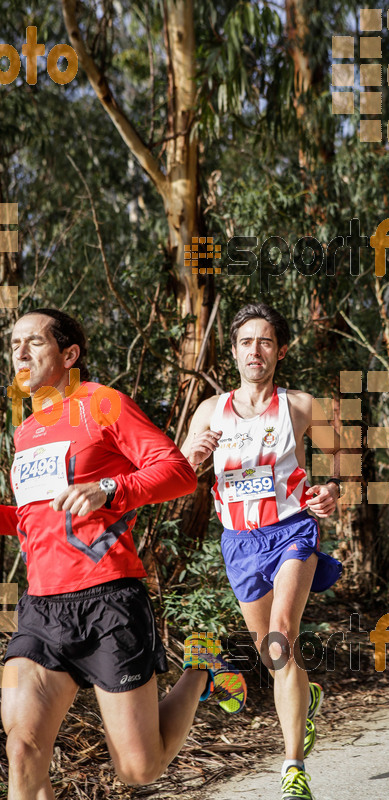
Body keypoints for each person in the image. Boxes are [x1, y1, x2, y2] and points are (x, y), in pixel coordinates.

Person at [0, 308, 247, 800]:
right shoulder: (26, 431)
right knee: (24, 748)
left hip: (108, 601)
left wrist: (108, 488)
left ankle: (201, 672)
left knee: (139, 768)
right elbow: (33, 520)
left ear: (69, 354)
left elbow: (176, 471)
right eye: (13, 344)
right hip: (42, 610)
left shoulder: (102, 404)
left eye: (34, 342)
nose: (20, 353)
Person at [181, 303, 343, 800]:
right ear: (233, 351)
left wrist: (334, 490)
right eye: (246, 341)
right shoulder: (210, 410)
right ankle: (305, 694)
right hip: (239, 542)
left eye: (266, 341)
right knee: (272, 654)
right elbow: (176, 471)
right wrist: (195, 456)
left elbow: (345, 457)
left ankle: (293, 767)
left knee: (283, 636)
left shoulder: (299, 405)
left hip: (292, 530)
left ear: (281, 350)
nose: (256, 350)